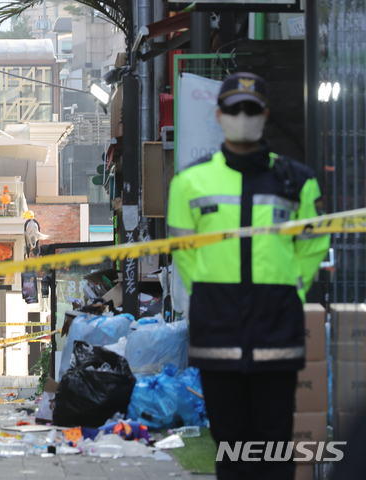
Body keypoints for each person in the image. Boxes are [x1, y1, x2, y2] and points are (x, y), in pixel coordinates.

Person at [167, 72, 330, 479]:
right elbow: (183, 252)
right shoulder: (189, 182)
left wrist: (292, 286)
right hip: (217, 330)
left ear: (265, 115)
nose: (243, 116)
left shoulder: (297, 181)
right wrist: (205, 291)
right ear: (220, 115)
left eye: (251, 109)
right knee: (231, 445)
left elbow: (313, 245)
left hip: (277, 328)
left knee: (274, 444)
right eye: (235, 109)